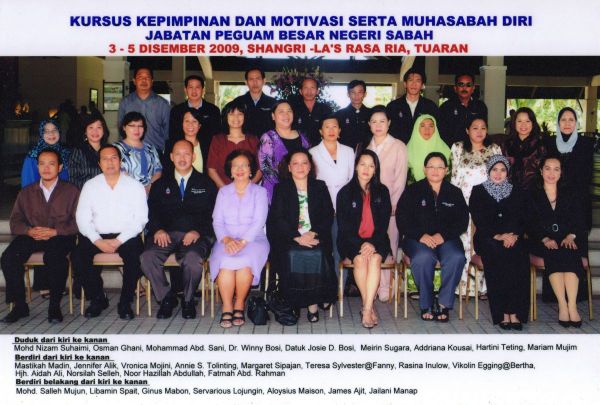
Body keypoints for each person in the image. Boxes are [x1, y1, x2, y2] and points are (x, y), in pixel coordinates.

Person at [141, 140, 217, 320]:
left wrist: (197, 231)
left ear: (194, 156)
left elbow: (213, 214)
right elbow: (152, 211)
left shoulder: (206, 183)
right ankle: (167, 298)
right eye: (178, 154)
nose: (182, 158)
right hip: (166, 235)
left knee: (192, 258)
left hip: (196, 235)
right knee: (147, 257)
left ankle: (188, 300)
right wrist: (158, 230)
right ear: (171, 157)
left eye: (187, 154)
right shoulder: (160, 184)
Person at [1, 149, 79, 324]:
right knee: (9, 257)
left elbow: (78, 222)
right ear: (37, 167)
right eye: (42, 164)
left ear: (60, 167)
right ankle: (20, 305)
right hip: (33, 235)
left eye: (51, 164)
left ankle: (54, 307)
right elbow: (15, 221)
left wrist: (56, 231)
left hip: (60, 236)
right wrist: (28, 230)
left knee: (55, 258)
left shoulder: (71, 191)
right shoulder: (26, 192)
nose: (46, 168)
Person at [73, 145, 148, 320]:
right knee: (78, 257)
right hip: (97, 236)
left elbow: (141, 219)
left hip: (126, 236)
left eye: (114, 158)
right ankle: (97, 298)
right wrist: (97, 240)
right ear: (99, 164)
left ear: (120, 161)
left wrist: (119, 240)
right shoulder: (90, 186)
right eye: (105, 159)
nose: (110, 162)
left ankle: (125, 302)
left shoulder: (135, 186)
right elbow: (82, 218)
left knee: (135, 257)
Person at [396, 152, 469, 321]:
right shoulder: (412, 191)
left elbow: (462, 221)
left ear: (446, 170)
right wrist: (420, 236)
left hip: (446, 239)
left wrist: (443, 236)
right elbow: (402, 219)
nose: (435, 171)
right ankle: (427, 303)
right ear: (424, 169)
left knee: (457, 257)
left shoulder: (454, 192)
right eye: (431, 167)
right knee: (423, 257)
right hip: (417, 240)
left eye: (440, 167)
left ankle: (444, 303)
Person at [267, 150, 336, 323]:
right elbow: (277, 218)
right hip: (290, 238)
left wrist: (313, 232)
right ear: (289, 167)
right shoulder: (281, 188)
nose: (300, 167)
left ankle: (312, 303)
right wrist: (297, 237)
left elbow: (328, 214)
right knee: (294, 253)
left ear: (310, 166)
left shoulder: (320, 186)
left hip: (315, 235)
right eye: (295, 163)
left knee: (316, 253)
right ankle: (298, 300)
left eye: (304, 163)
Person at [469, 155, 529, 330]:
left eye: (502, 170)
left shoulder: (516, 190)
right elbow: (478, 218)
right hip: (487, 238)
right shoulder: (479, 191)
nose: (498, 173)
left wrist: (514, 235)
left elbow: (523, 218)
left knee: (518, 255)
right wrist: (498, 235)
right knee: (498, 255)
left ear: (507, 172)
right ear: (488, 171)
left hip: (513, 237)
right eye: (494, 169)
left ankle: (515, 312)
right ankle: (502, 313)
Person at [210, 150, 269, 328]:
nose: (240, 169)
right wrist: (227, 240)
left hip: (254, 240)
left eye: (244, 165)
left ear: (251, 170)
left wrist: (242, 242)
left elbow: (259, 220)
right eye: (235, 166)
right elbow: (217, 221)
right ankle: (227, 305)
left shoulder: (260, 192)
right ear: (230, 170)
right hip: (226, 239)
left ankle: (239, 303)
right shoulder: (223, 192)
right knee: (225, 262)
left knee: (245, 263)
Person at [527, 155, 586, 328]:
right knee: (553, 252)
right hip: (541, 241)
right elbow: (529, 222)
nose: (551, 173)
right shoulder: (532, 194)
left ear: (561, 173)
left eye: (556, 169)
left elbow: (579, 219)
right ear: (541, 171)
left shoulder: (570, 193)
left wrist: (571, 235)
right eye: (547, 168)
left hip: (567, 239)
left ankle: (572, 306)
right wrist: (544, 238)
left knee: (569, 252)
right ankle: (562, 305)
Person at [336, 150, 391, 328]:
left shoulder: (382, 191)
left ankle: (366, 308)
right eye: (363, 164)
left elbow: (383, 224)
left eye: (371, 166)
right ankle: (369, 307)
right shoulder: (345, 193)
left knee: (374, 259)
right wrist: (362, 244)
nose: (366, 169)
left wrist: (372, 243)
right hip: (351, 241)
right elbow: (344, 227)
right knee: (360, 260)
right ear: (356, 167)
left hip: (378, 239)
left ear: (376, 170)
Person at [450, 115, 502, 298]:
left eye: (483, 128)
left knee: (486, 242)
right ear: (467, 130)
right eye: (475, 128)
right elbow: (454, 177)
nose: (479, 131)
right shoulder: (458, 147)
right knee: (464, 243)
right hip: (463, 202)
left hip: (487, 204)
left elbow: (500, 178)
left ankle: (485, 288)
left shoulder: (494, 149)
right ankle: (464, 287)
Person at [366, 106, 408, 301]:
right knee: (372, 244)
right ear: (369, 125)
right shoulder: (367, 148)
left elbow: (400, 178)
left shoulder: (398, 146)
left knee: (389, 243)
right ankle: (372, 285)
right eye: (374, 121)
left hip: (390, 206)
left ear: (389, 123)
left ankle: (386, 287)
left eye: (382, 121)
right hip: (369, 207)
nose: (378, 125)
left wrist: (394, 204)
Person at [309, 115, 355, 293]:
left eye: (334, 126)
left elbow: (352, 180)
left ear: (340, 130)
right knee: (323, 248)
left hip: (345, 208)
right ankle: (322, 289)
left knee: (340, 249)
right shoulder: (312, 153)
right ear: (321, 131)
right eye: (327, 127)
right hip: (321, 209)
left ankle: (338, 290)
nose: (331, 130)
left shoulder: (349, 151)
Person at [544, 107, 594, 231]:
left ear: (576, 122)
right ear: (558, 122)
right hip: (554, 196)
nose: (567, 123)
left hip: (578, 197)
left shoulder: (586, 143)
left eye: (571, 120)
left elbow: (587, 174)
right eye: (563, 120)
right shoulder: (549, 143)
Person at [258, 100, 310, 203]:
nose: (286, 115)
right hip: (276, 192)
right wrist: (288, 188)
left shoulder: (302, 136)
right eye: (281, 111)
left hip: (302, 189)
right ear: (273, 116)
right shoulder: (268, 138)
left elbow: (308, 164)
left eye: (289, 111)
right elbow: (266, 170)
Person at [207, 102, 261, 187]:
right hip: (223, 189)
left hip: (249, 190)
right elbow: (211, 169)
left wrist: (249, 188)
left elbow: (260, 169)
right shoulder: (218, 140)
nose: (236, 118)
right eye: (231, 114)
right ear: (226, 117)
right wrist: (225, 190)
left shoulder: (253, 140)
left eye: (240, 114)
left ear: (245, 117)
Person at [118, 67, 170, 153]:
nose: (144, 80)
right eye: (140, 77)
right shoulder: (125, 102)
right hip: (131, 151)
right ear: (134, 81)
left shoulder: (162, 104)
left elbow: (167, 131)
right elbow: (121, 128)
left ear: (152, 81)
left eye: (147, 77)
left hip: (156, 152)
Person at [169, 74, 221, 155]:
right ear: (185, 90)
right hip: (183, 153)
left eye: (197, 87)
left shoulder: (213, 110)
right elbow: (173, 135)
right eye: (190, 87)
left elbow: (217, 135)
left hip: (208, 153)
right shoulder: (176, 111)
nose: (194, 91)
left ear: (203, 90)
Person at [386, 68, 439, 144]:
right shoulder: (393, 106)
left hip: (423, 148)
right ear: (405, 84)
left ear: (422, 85)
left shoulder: (430, 106)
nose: (414, 84)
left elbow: (436, 131)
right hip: (399, 148)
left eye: (418, 81)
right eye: (410, 80)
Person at [114, 111, 162, 193]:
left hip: (151, 193)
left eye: (140, 126)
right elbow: (118, 172)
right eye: (132, 125)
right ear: (124, 127)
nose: (137, 129)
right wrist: (138, 189)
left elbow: (158, 170)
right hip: (126, 192)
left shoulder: (150, 148)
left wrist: (149, 187)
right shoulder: (115, 148)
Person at [502, 107, 546, 191]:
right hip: (508, 191)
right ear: (514, 123)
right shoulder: (506, 144)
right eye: (519, 121)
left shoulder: (540, 145)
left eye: (527, 121)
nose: (523, 125)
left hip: (534, 191)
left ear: (533, 123)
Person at [439, 73, 488, 146]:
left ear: (473, 88)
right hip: (452, 149)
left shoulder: (480, 106)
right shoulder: (446, 107)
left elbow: (484, 130)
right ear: (455, 88)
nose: (464, 88)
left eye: (468, 85)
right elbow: (442, 133)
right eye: (461, 84)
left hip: (475, 148)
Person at [227, 67, 277, 137]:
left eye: (258, 79)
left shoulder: (273, 103)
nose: (255, 82)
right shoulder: (237, 102)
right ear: (246, 82)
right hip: (244, 142)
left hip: (267, 142)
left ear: (264, 81)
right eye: (251, 79)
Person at [21, 120, 70, 188]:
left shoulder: (66, 153)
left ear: (59, 132)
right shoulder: (33, 156)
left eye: (54, 130)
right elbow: (28, 186)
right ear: (41, 134)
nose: (51, 134)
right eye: (46, 131)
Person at [68, 114, 109, 189]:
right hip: (85, 192)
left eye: (99, 127)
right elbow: (73, 178)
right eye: (91, 127)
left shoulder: (109, 150)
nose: (95, 131)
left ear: (104, 131)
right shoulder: (78, 151)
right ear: (85, 131)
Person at [406, 114, 450, 182]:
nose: (427, 129)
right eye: (422, 126)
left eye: (431, 126)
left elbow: (450, 175)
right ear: (417, 128)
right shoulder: (407, 150)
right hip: (415, 187)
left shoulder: (445, 149)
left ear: (435, 128)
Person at [291, 76, 333, 146]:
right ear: (301, 91)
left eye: (312, 88)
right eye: (306, 88)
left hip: (320, 148)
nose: (309, 91)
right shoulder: (293, 109)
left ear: (317, 91)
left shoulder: (325, 109)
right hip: (299, 148)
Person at [164, 108, 206, 173]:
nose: (190, 125)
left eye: (194, 121)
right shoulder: (171, 145)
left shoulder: (207, 145)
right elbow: (167, 171)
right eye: (187, 121)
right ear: (182, 124)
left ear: (199, 126)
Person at [335, 80, 372, 151]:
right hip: (345, 153)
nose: (356, 96)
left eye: (360, 92)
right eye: (353, 92)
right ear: (348, 94)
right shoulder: (339, 115)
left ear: (365, 94)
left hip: (368, 153)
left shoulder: (371, 114)